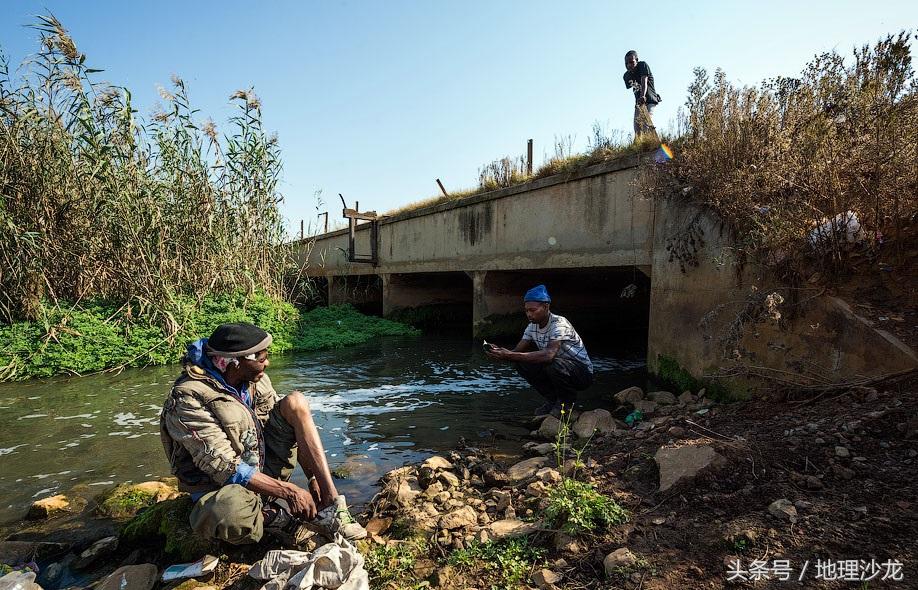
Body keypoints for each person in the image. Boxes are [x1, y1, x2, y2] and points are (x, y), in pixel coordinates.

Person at [160, 322, 367, 546]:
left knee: (295, 403)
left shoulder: (254, 380)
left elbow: (287, 426)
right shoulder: (187, 398)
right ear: (236, 362)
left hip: (260, 465)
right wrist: (289, 491)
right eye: (261, 359)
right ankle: (277, 519)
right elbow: (222, 465)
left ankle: (332, 504)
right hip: (221, 486)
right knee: (227, 514)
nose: (267, 363)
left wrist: (312, 478)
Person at [486, 285, 593, 418]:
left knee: (553, 364)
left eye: (533, 310)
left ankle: (565, 404)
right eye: (526, 311)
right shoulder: (532, 326)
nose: (529, 314)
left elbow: (549, 355)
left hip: (582, 373)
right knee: (520, 363)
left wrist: (511, 355)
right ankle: (553, 400)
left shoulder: (559, 323)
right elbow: (517, 351)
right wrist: (501, 353)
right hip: (558, 367)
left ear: (546, 307)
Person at [623, 50, 661, 138]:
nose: (629, 65)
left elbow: (644, 80)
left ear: (636, 60)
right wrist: (639, 101)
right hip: (638, 103)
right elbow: (633, 87)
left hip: (649, 99)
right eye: (626, 63)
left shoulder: (642, 65)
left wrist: (643, 96)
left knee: (646, 123)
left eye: (631, 62)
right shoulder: (626, 76)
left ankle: (655, 143)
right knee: (637, 128)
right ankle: (639, 147)